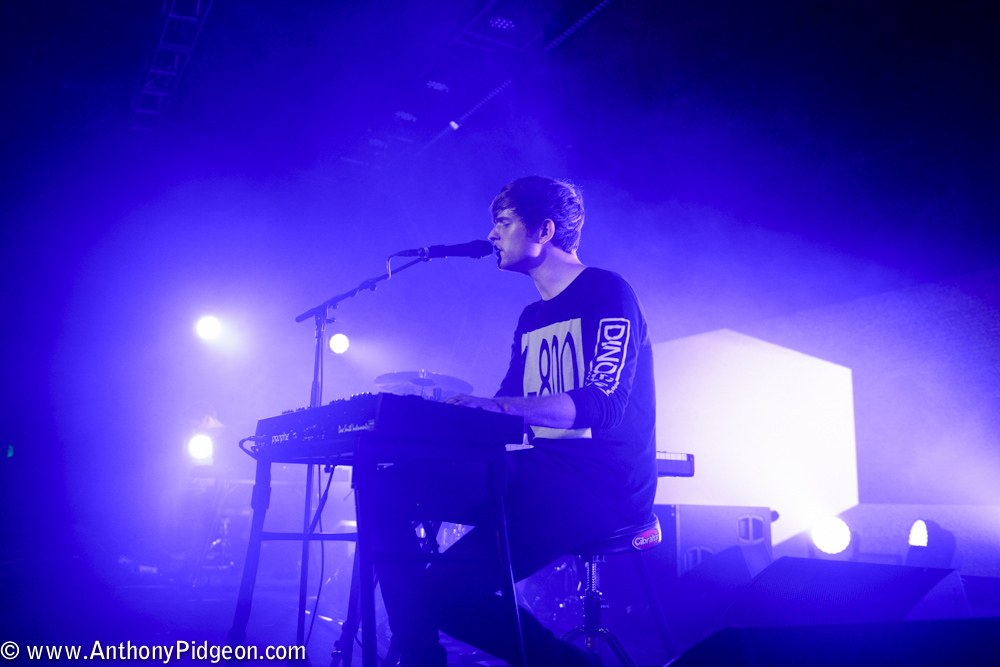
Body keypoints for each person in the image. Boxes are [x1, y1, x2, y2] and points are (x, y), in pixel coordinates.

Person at [370, 175, 657, 666]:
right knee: (384, 489)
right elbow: (507, 406)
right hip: (535, 475)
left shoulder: (608, 293)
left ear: (544, 230)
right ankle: (418, 655)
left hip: (599, 484)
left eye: (503, 222)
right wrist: (435, 423)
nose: (493, 235)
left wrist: (497, 407)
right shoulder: (530, 318)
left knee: (442, 589)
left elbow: (603, 403)